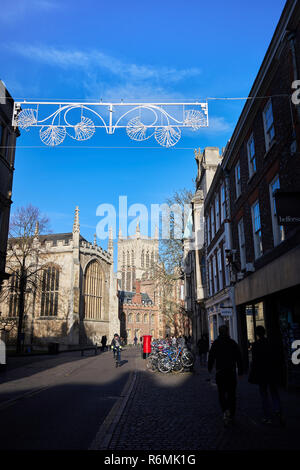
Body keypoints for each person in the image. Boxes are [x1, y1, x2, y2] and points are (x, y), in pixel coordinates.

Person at [248, 325, 284, 425]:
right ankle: (277, 411)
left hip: (262, 373)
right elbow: (276, 357)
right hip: (271, 371)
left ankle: (267, 416)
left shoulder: (255, 345)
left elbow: (254, 361)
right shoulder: (270, 343)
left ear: (257, 334)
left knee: (264, 394)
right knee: (274, 392)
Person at [208, 325, 243, 426]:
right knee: (232, 394)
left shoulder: (216, 343)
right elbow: (239, 357)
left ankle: (225, 411)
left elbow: (211, 356)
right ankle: (231, 413)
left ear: (219, 332)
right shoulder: (232, 343)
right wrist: (240, 371)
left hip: (220, 372)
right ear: (227, 332)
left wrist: (210, 368)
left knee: (222, 393)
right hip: (230, 372)